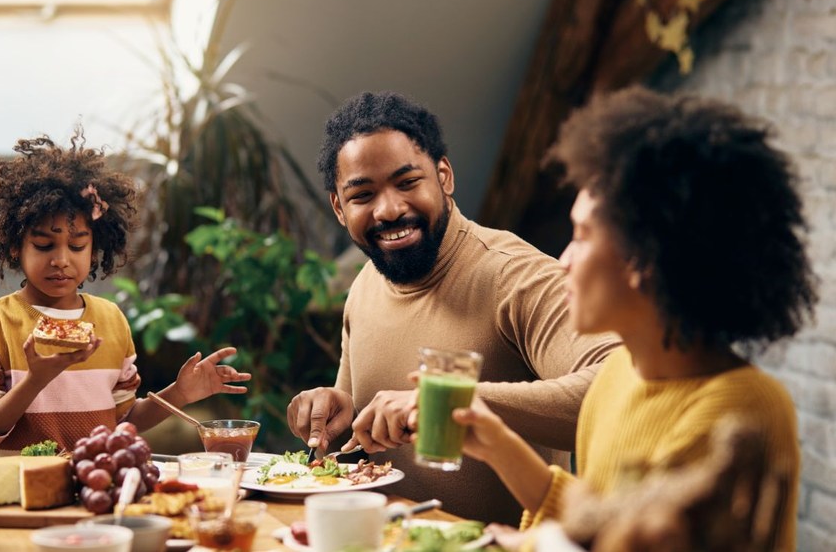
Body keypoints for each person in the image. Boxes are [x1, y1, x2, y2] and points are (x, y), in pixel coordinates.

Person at [447, 87, 815, 550]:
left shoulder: (742, 413)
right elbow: (602, 518)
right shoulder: (619, 372)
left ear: (644, 259)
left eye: (582, 236)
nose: (563, 260)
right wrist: (498, 446)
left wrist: (535, 545)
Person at [286, 91, 621, 524]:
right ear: (339, 207)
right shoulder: (366, 285)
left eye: (408, 183)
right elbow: (363, 425)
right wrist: (334, 409)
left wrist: (447, 402)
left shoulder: (515, 276)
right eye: (363, 195)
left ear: (444, 176)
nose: (389, 209)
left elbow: (617, 386)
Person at [0, 130, 251, 455]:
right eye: (43, 245)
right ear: (13, 247)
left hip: (95, 496)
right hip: (19, 500)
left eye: (77, 245)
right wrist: (35, 380)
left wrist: (179, 393)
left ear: (95, 249)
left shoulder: (110, 320)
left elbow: (124, 417)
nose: (61, 260)